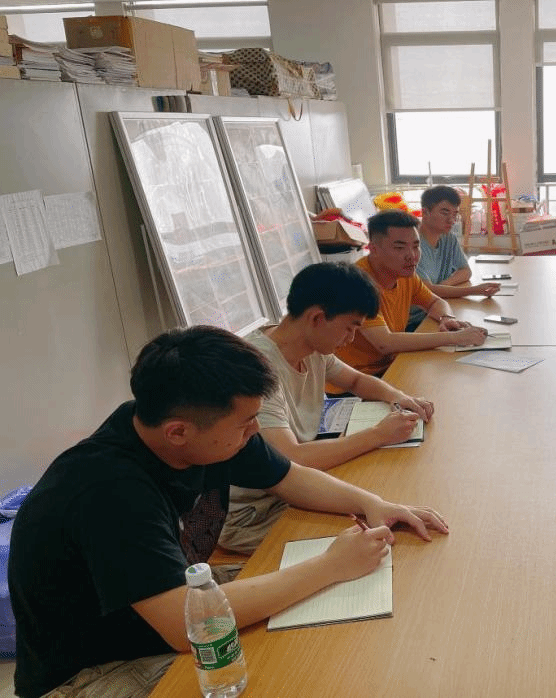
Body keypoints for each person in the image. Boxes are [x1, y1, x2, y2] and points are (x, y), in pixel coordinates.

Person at [8, 326, 448, 698]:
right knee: (289, 673)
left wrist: (373, 503)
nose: (255, 430)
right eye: (246, 423)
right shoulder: (109, 491)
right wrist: (330, 566)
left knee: (326, 627)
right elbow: (184, 626)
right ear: (178, 432)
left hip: (167, 603)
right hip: (91, 670)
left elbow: (289, 476)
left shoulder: (190, 430)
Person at [219, 261, 435, 554]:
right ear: (317, 318)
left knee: (387, 507)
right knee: (382, 544)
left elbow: (356, 380)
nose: (352, 338)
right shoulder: (256, 369)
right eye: (350, 328)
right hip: (257, 514)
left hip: (297, 488)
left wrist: (399, 397)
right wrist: (377, 435)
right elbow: (292, 458)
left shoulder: (312, 347)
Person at [333, 209, 488, 377]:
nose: (412, 256)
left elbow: (436, 302)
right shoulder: (357, 282)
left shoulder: (405, 274)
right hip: (355, 378)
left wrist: (446, 318)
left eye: (416, 246)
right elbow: (384, 343)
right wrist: (455, 338)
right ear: (374, 249)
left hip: (391, 364)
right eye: (400, 247)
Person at [406, 185, 501, 330]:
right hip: (415, 321)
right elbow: (428, 291)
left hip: (438, 309)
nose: (452, 220)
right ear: (425, 212)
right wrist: (474, 290)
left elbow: (465, 271)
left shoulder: (448, 238)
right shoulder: (413, 245)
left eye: (455, 214)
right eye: (445, 213)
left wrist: (444, 285)